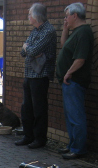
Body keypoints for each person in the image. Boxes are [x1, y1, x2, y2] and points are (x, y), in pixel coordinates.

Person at [15, 3, 57, 149]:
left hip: (40, 75)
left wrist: (29, 48)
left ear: (36, 16)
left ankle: (40, 139)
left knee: (39, 108)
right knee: (26, 107)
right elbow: (24, 51)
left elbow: (31, 51)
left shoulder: (49, 31)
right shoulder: (35, 31)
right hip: (29, 74)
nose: (28, 17)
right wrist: (29, 48)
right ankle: (28, 136)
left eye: (29, 14)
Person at [56, 2, 94, 159]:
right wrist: (65, 30)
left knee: (76, 116)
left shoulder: (84, 32)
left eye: (67, 16)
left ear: (75, 15)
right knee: (70, 115)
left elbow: (80, 59)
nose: (65, 19)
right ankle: (72, 145)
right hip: (69, 82)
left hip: (75, 81)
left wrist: (68, 73)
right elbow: (65, 46)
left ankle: (78, 149)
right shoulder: (76, 32)